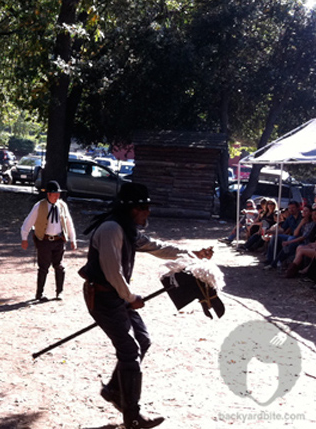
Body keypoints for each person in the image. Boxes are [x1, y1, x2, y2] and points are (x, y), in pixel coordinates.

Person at [79, 183, 213, 429]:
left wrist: (191, 253)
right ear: (132, 209)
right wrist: (130, 298)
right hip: (103, 297)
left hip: (116, 295)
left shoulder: (126, 228)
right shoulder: (111, 229)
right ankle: (132, 417)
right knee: (130, 350)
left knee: (142, 340)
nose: (148, 213)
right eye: (144, 208)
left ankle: (114, 391)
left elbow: (156, 247)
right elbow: (112, 272)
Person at [21, 180, 77, 301]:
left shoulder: (62, 206)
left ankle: (59, 292)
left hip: (59, 240)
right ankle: (39, 294)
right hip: (44, 240)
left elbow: (69, 223)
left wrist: (73, 239)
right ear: (48, 194)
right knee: (43, 267)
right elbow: (28, 222)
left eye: (58, 194)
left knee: (59, 266)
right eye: (55, 194)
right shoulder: (39, 206)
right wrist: (24, 238)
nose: (58, 196)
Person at [262, 201, 301, 266]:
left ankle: (278, 261)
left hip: (300, 237)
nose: (291, 210)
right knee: (275, 237)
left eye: (293, 208)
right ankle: (270, 259)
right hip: (291, 236)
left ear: (298, 208)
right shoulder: (290, 218)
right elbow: (282, 230)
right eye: (289, 208)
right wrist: (271, 232)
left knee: (290, 240)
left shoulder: (302, 217)